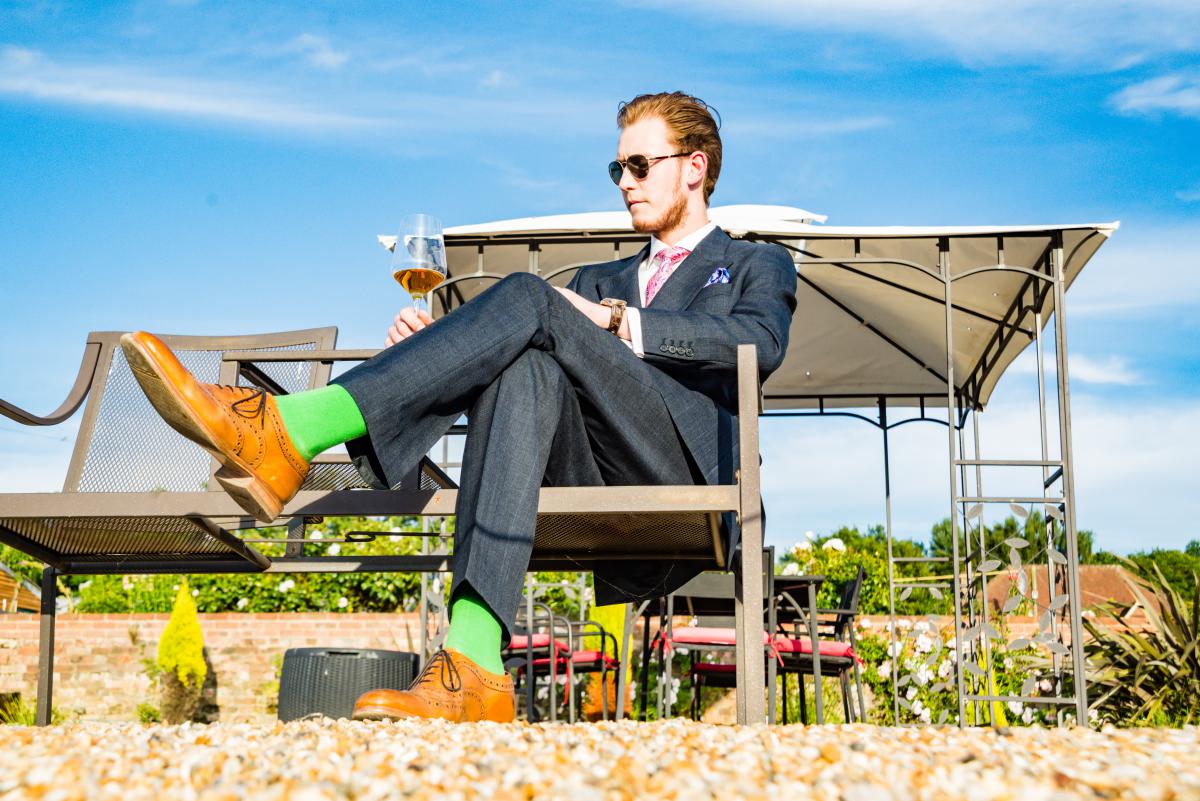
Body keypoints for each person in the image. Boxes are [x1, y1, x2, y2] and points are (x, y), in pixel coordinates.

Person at [120, 91, 798, 723]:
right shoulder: (599, 276)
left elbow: (759, 343)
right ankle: (474, 664)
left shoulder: (753, 264)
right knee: (526, 359)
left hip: (685, 473)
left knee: (534, 298)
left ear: (696, 167)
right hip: (591, 473)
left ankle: (291, 428)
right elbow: (525, 403)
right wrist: (441, 354)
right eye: (617, 166)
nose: (625, 180)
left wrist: (617, 322)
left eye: (640, 164)